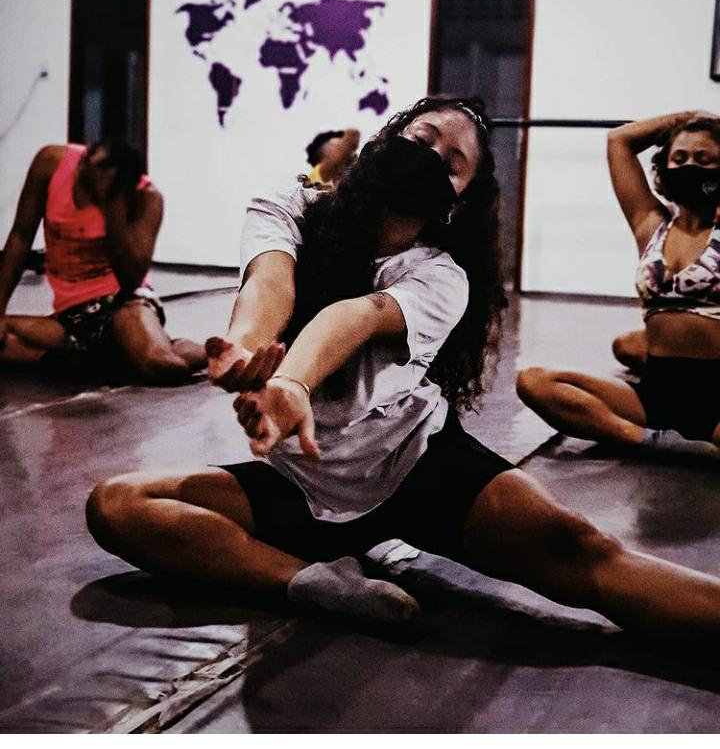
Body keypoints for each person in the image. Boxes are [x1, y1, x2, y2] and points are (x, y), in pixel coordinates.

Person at [87, 99, 720, 639]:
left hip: (418, 468)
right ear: (384, 142)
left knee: (583, 553)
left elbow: (357, 316)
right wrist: (246, 346)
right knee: (119, 505)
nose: (430, 158)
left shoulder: (442, 274)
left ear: (458, 201)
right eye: (422, 138)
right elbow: (270, 282)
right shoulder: (290, 205)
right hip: (304, 488)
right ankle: (313, 582)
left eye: (452, 162)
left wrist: (289, 383)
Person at [518, 111, 720, 460]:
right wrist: (687, 118)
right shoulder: (650, 225)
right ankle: (646, 439)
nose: (689, 166)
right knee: (534, 382)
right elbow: (619, 140)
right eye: (680, 158)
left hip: (715, 392)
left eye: (703, 160)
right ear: (665, 167)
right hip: (656, 392)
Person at [0, 140, 206, 384]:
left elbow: (132, 280)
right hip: (72, 318)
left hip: (124, 304)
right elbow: (21, 236)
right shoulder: (50, 163)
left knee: (159, 365)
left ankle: (206, 354)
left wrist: (110, 205)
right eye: (85, 163)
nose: (82, 172)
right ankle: (108, 358)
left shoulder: (146, 198)